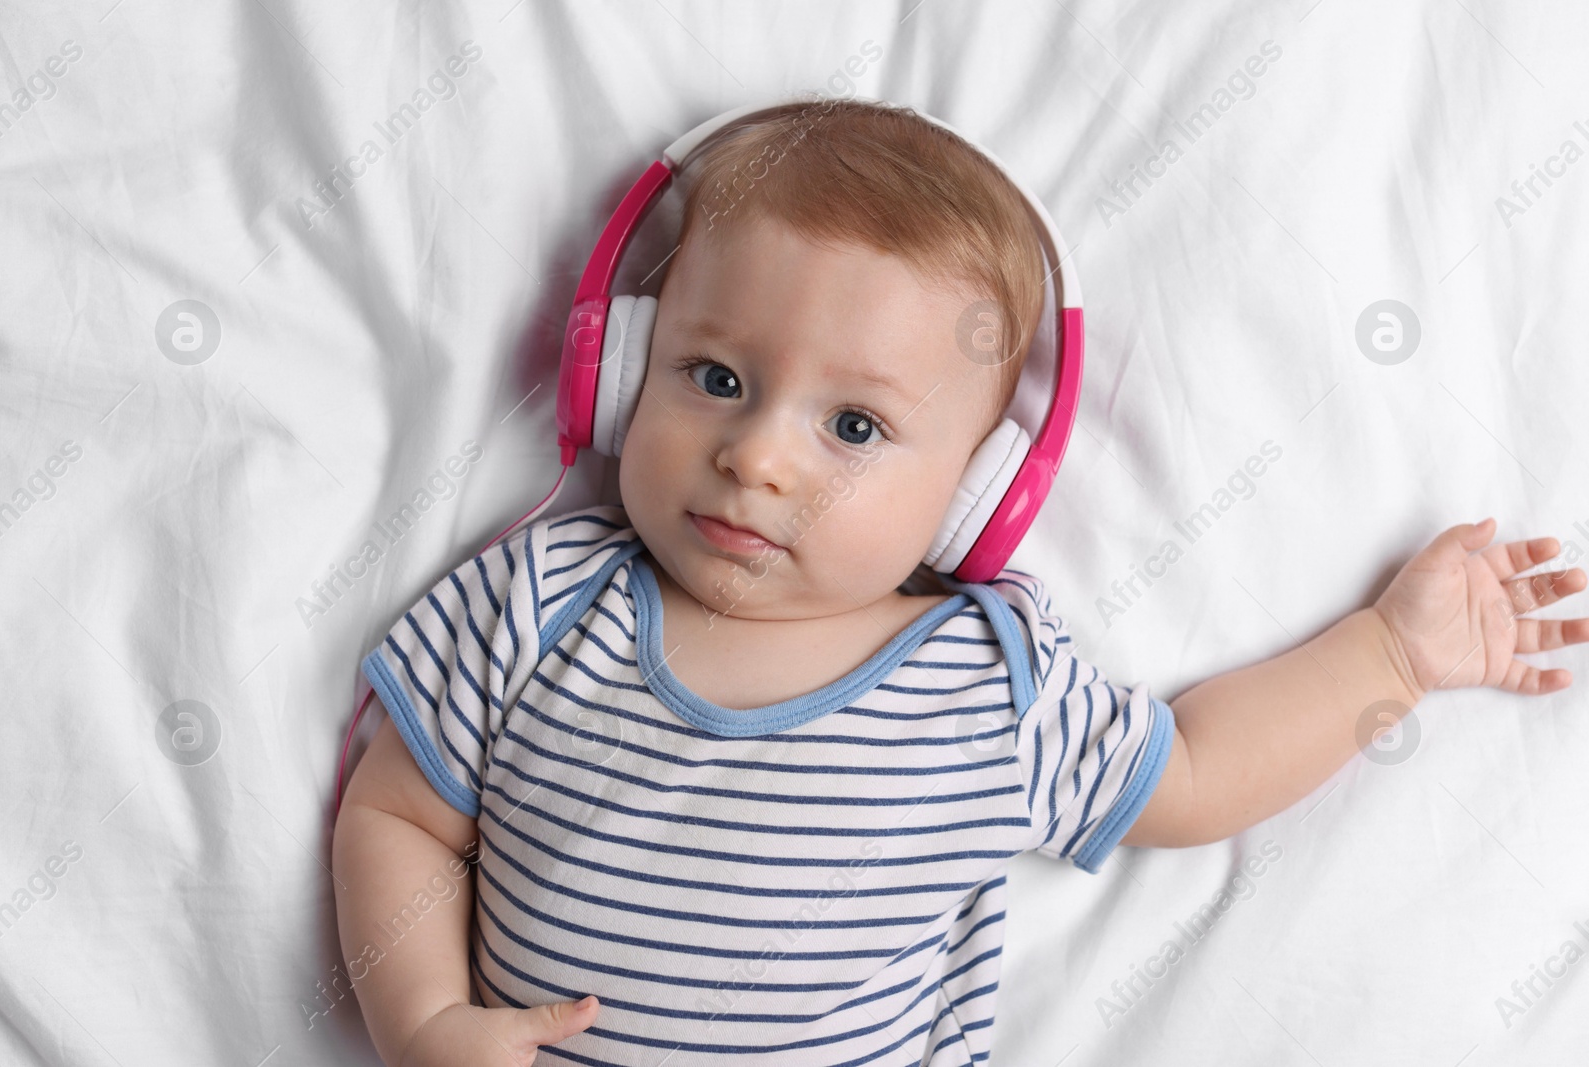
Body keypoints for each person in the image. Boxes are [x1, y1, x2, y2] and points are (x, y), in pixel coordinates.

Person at [332, 98, 1589, 1066]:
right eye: (715, 377)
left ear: (979, 496)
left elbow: (1192, 772)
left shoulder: (990, 677)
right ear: (620, 374)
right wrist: (423, 1014)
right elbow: (398, 815)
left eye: (857, 428)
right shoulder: (538, 598)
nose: (758, 455)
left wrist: (1390, 655)